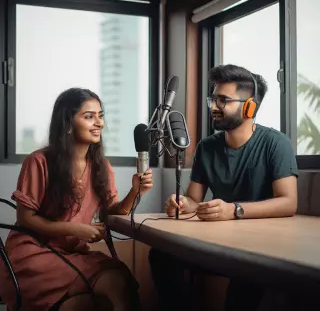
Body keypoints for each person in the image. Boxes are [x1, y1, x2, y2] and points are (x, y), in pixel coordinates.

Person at [148, 64, 298, 311]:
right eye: (213, 99)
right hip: (217, 244)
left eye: (223, 100)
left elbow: (288, 202)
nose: (213, 107)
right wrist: (183, 204)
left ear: (250, 106)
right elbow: (193, 199)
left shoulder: (276, 144)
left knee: (246, 273)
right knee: (161, 255)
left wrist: (234, 210)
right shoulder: (206, 147)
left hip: (260, 247)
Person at [0, 88, 153, 311]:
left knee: (119, 282)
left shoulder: (102, 166)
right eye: (89, 116)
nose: (99, 123)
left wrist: (135, 192)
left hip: (72, 254)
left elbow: (111, 212)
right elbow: (25, 219)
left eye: (101, 115)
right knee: (81, 304)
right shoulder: (39, 162)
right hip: (33, 255)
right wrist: (75, 229)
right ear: (68, 124)